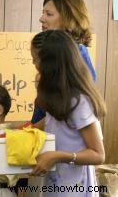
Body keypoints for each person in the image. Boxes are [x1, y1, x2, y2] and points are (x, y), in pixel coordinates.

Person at [30, 30, 106, 197]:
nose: (33, 62)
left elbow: (98, 155)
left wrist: (57, 156)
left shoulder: (79, 102)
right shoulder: (58, 98)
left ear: (51, 64)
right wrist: (6, 129)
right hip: (56, 185)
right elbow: (39, 127)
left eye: (36, 58)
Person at [31, 0, 97, 124]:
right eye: (43, 12)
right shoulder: (56, 51)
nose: (41, 18)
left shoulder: (78, 55)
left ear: (68, 20)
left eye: (48, 14)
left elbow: (71, 112)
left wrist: (30, 130)